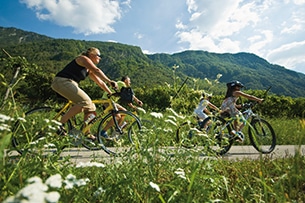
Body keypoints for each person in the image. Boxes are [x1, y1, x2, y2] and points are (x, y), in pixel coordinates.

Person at [51, 47, 117, 140]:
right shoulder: (83, 59)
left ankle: (86, 132)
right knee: (85, 102)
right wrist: (110, 81)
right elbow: (97, 70)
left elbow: (100, 82)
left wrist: (110, 92)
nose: (100, 58)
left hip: (70, 84)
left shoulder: (88, 69)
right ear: (91, 55)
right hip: (62, 81)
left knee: (92, 107)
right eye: (99, 55)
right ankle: (58, 125)